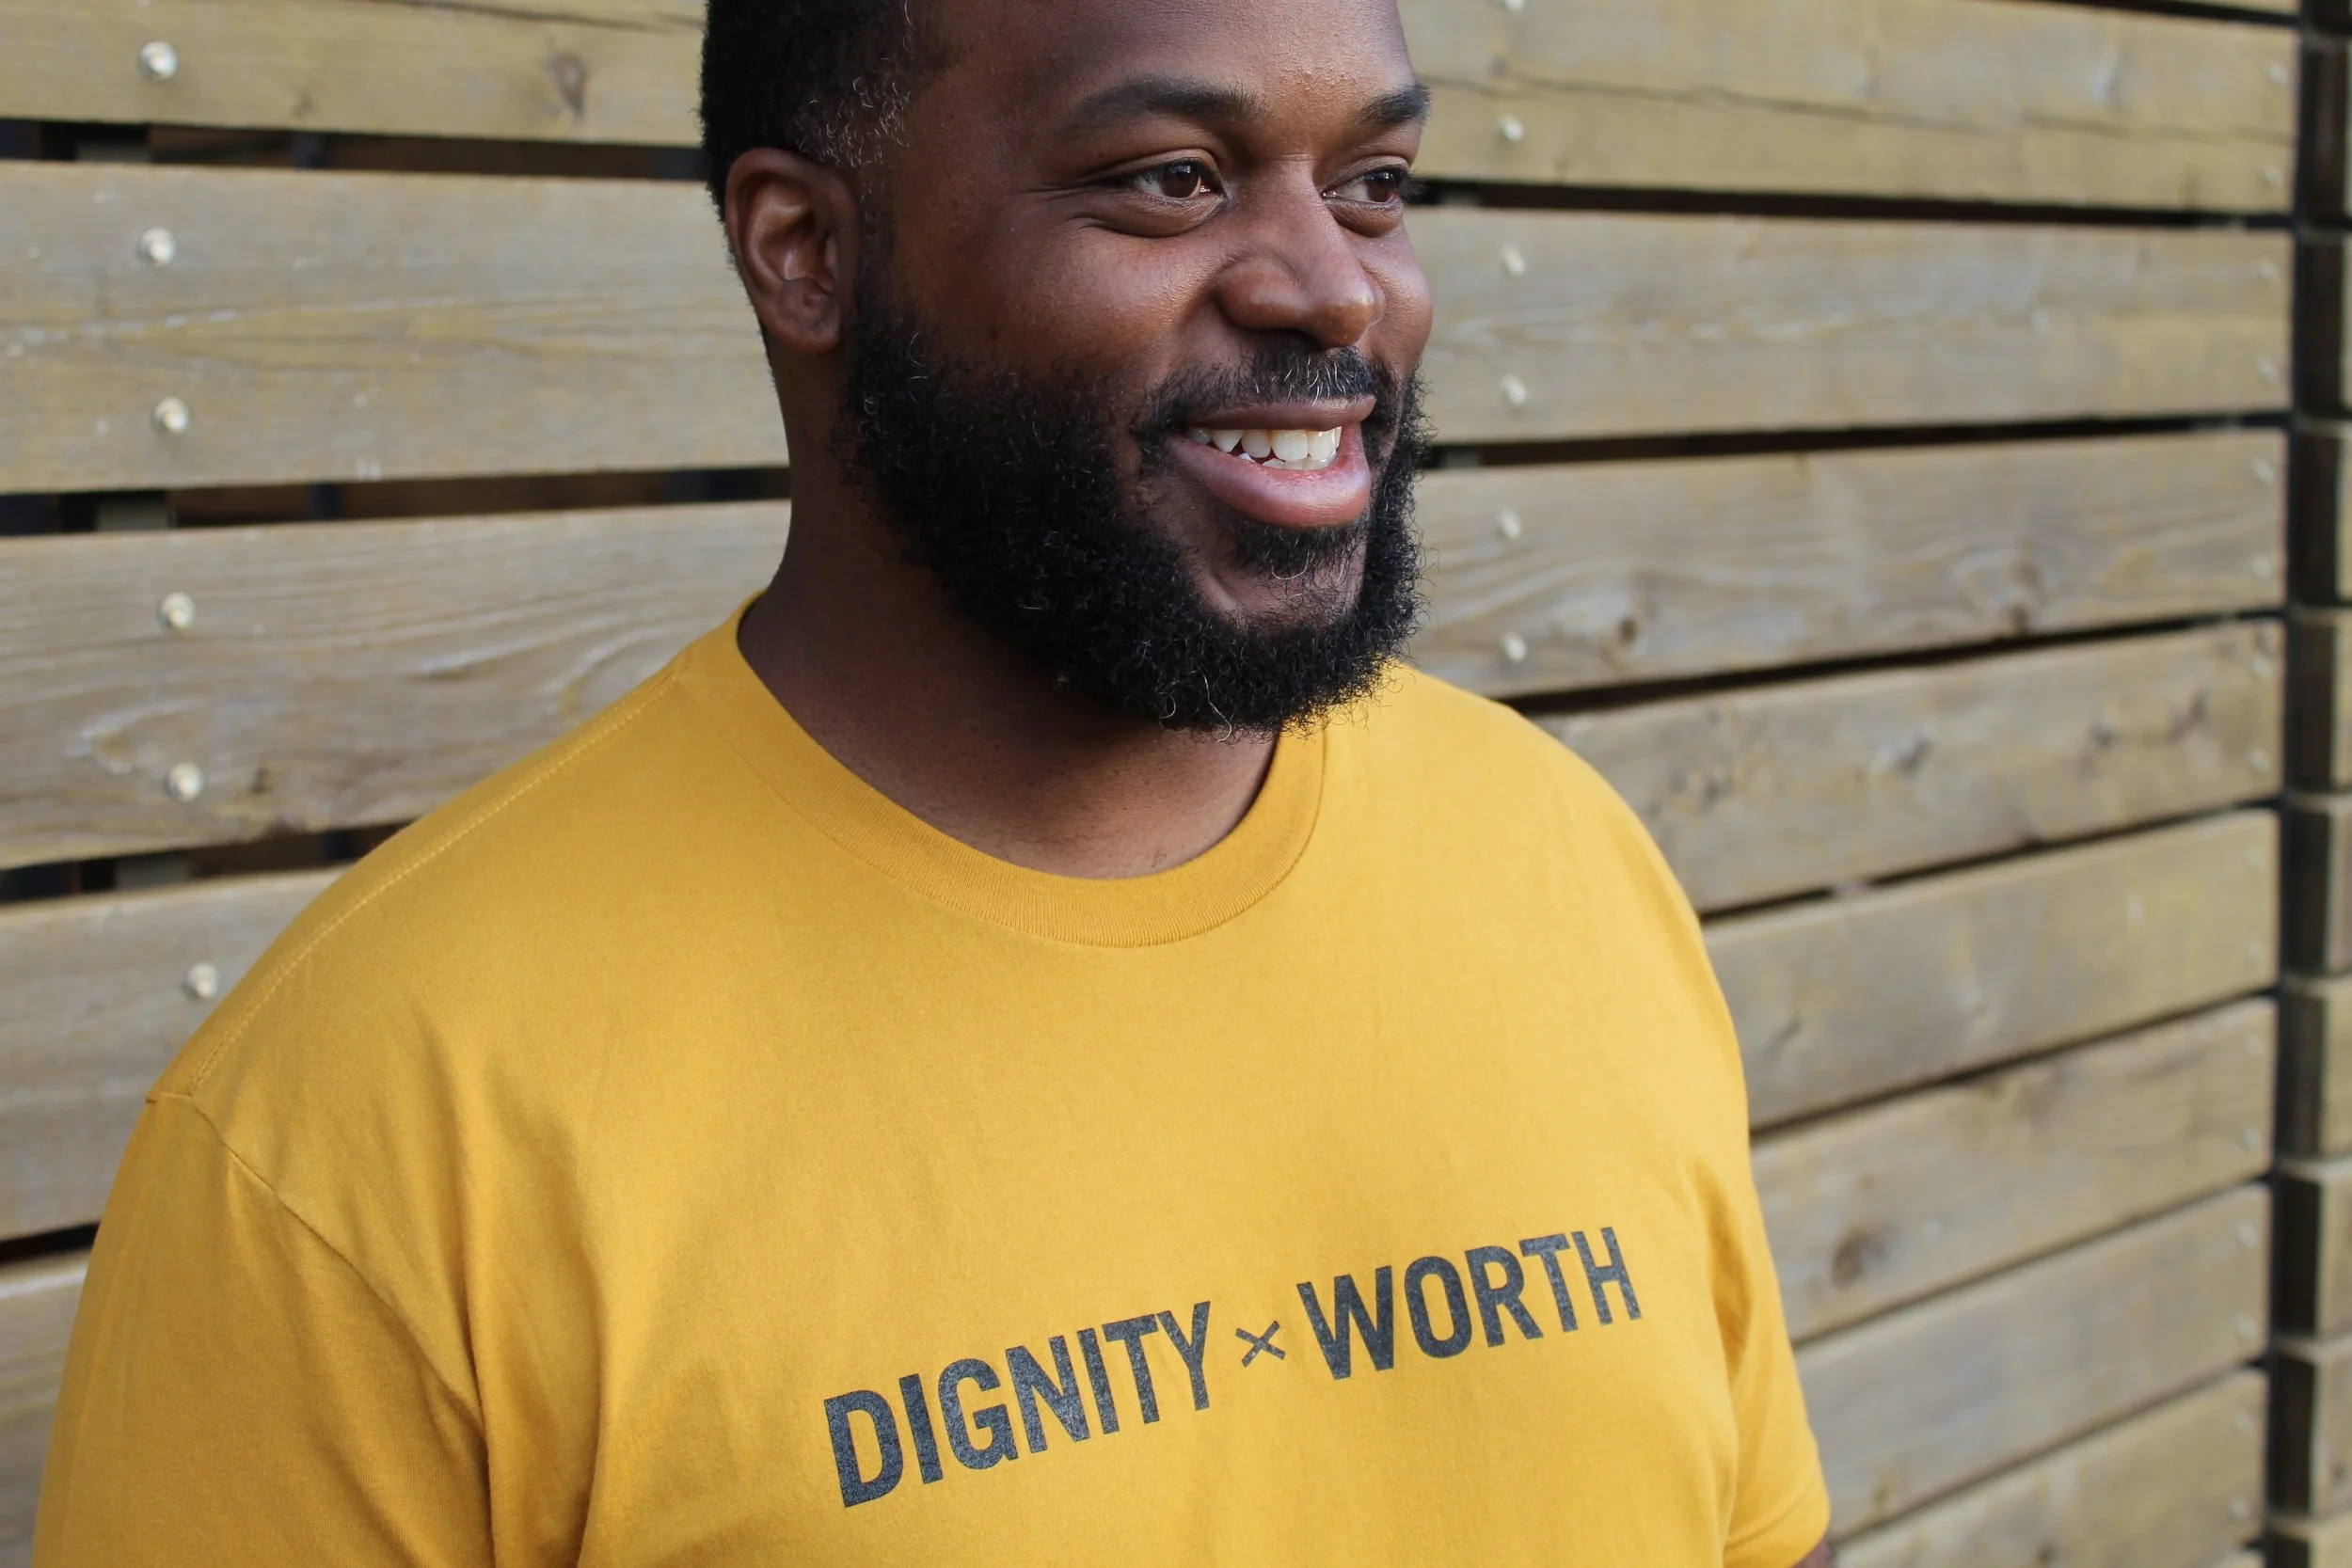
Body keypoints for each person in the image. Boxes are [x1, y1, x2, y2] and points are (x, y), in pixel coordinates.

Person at [33, 0, 1833, 1561]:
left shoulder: (1561, 858)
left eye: (1371, 183)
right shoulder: (366, 1119)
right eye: (1174, 179)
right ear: (803, 247)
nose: (1335, 283)